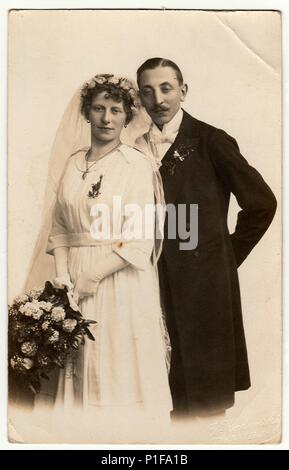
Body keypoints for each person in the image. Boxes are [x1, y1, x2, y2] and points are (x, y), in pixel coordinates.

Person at [28, 74, 172, 441]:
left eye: (115, 110)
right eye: (99, 109)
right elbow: (60, 226)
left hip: (118, 277)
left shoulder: (136, 165)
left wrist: (93, 275)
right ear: (86, 114)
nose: (106, 118)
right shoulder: (73, 163)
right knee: (74, 359)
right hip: (72, 275)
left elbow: (140, 235)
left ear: (127, 117)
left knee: (112, 362)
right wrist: (61, 275)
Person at [135, 58, 277, 419]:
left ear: (183, 91)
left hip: (204, 290)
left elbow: (262, 204)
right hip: (151, 285)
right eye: (148, 91)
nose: (159, 99)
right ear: (140, 97)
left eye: (166, 88)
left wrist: (224, 256)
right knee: (162, 395)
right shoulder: (133, 148)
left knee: (205, 401)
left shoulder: (212, 140)